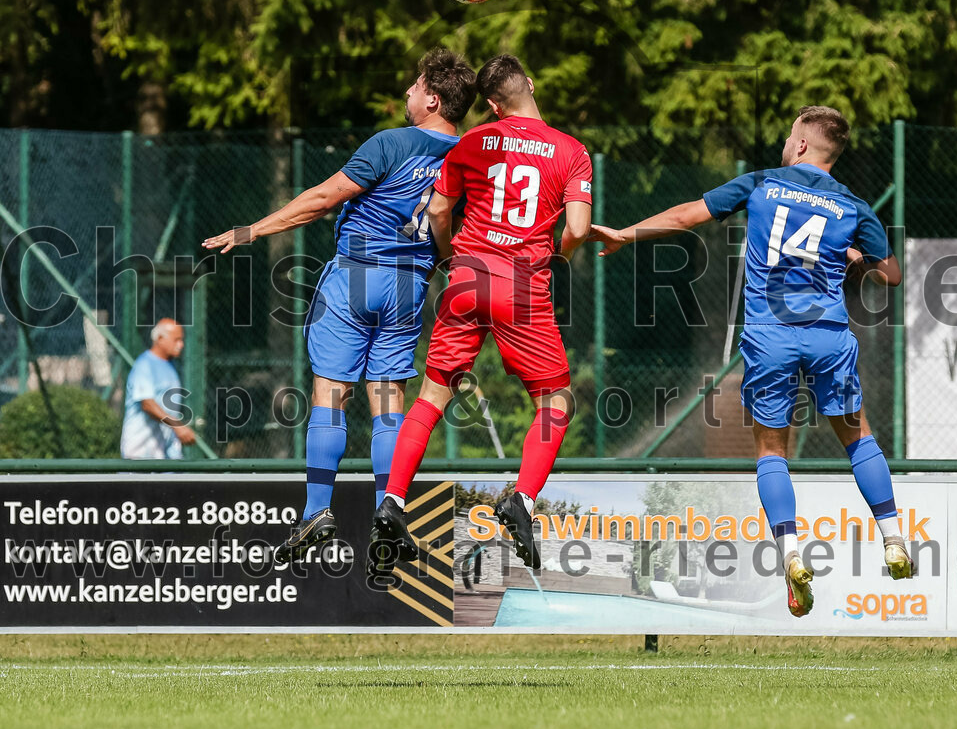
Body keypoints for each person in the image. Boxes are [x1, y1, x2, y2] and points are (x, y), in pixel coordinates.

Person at [589, 105, 916, 617]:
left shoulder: (762, 183)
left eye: (790, 136)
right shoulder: (853, 205)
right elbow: (891, 275)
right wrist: (854, 257)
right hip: (829, 336)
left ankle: (790, 554)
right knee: (858, 438)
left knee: (770, 451)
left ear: (802, 145)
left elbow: (684, 217)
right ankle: (895, 538)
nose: (786, 144)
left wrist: (625, 234)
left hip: (772, 340)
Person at [202, 48, 477, 563]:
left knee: (331, 393)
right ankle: (386, 512)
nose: (407, 93)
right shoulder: (466, 157)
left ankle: (316, 511)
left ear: (432, 99)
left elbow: (323, 198)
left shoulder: (392, 143)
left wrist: (252, 229)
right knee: (389, 401)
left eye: (415, 86)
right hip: (410, 285)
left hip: (355, 276)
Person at [368, 54, 592, 576]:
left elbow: (440, 210)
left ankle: (394, 502)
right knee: (555, 400)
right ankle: (522, 500)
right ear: (529, 85)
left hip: (467, 277)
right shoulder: (571, 152)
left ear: (491, 105)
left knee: (431, 396)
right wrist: (559, 259)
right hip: (522, 286)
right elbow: (578, 228)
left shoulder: (472, 142)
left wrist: (449, 258)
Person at [120, 318, 195, 459]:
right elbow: (147, 404)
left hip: (167, 454)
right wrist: (177, 426)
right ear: (160, 338)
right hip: (140, 454)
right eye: (176, 340)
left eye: (182, 340)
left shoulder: (171, 367)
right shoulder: (144, 365)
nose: (181, 345)